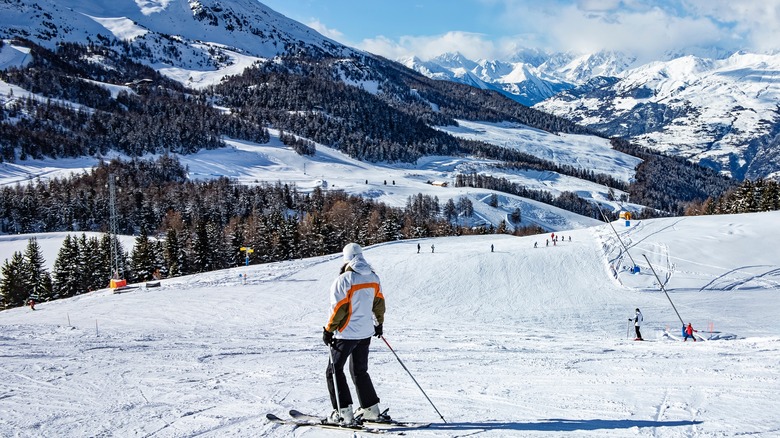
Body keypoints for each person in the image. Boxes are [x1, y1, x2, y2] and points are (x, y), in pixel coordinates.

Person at [322, 243, 386, 425]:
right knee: (359, 370)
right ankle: (371, 410)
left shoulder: (344, 279)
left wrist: (328, 329)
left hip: (346, 333)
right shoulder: (374, 277)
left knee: (334, 370)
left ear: (346, 259)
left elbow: (338, 308)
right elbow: (379, 303)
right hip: (366, 332)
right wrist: (379, 324)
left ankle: (344, 413)